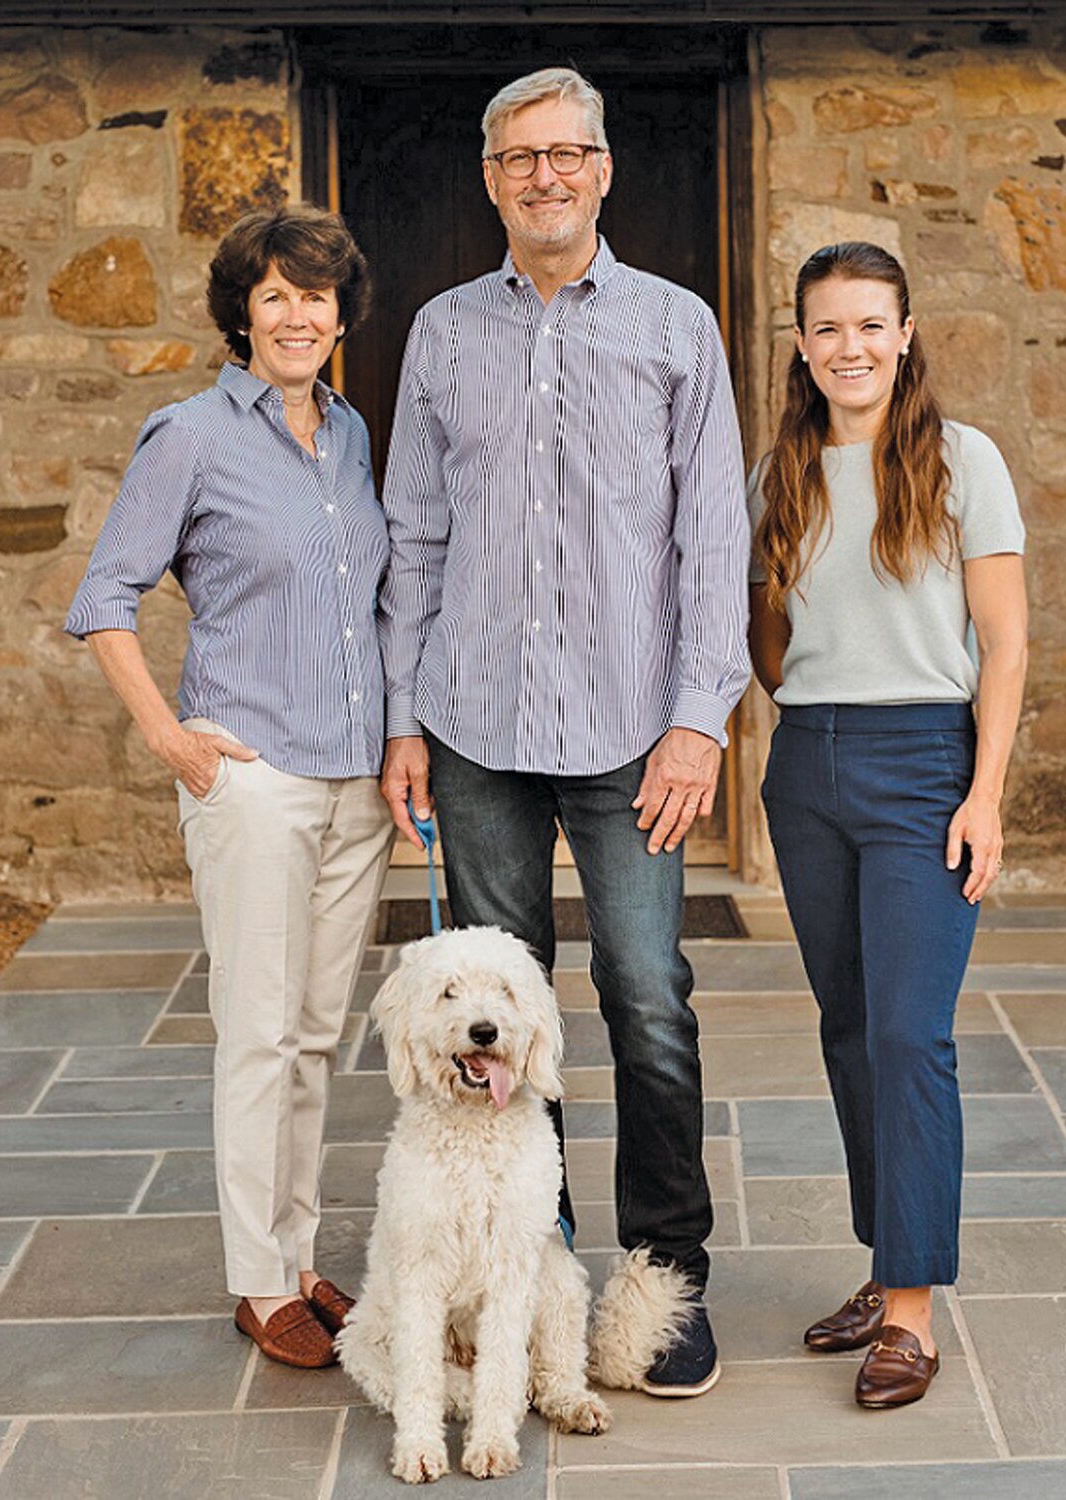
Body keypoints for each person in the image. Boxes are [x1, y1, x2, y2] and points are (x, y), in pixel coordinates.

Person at [378, 66, 750, 1397]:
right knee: (490, 1017)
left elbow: (714, 537)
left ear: (604, 170)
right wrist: (405, 715)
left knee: (647, 999)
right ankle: (530, 1265)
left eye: (568, 153)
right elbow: (412, 533)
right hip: (474, 727)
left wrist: (700, 721)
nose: (546, 174)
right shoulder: (441, 335)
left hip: (632, 736)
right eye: (521, 156)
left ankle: (665, 1279)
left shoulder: (675, 328)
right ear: (492, 178)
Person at [65, 204, 395, 1370]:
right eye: (274, 296)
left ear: (340, 312)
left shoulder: (352, 437)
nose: (297, 314)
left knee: (313, 1037)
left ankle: (297, 1257)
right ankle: (256, 1284)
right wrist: (175, 739)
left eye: (315, 295)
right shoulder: (191, 434)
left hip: (355, 786)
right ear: (242, 314)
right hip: (251, 773)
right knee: (256, 1036)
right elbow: (104, 597)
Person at [748, 241, 1028, 1408]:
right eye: (826, 328)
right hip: (808, 760)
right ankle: (885, 1259)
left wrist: (984, 793)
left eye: (870, 324)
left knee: (912, 1038)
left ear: (905, 332)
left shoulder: (963, 461)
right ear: (801, 345)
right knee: (851, 1031)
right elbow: (761, 634)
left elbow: (1004, 644)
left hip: (925, 764)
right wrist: (798, 726)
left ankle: (909, 1310)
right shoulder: (782, 470)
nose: (848, 347)